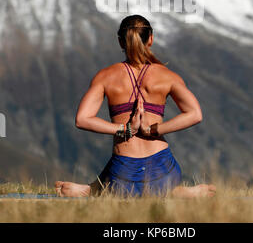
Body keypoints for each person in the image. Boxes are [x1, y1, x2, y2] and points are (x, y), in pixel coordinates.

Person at [55, 15, 216, 198]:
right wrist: (154, 129)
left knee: (115, 184)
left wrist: (125, 129)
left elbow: (82, 120)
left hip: (122, 175)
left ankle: (92, 189)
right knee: (160, 187)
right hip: (163, 171)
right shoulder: (168, 76)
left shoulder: (106, 76)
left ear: (120, 42)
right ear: (151, 39)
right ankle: (174, 192)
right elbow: (195, 114)